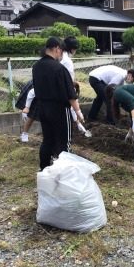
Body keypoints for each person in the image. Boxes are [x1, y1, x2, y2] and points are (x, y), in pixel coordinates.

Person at [32, 37, 84, 170]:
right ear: (56, 48)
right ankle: (64, 173)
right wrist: (78, 111)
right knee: (63, 142)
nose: (61, 55)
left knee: (48, 140)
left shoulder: (36, 67)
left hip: (42, 107)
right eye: (61, 51)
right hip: (59, 109)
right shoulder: (59, 68)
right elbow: (70, 93)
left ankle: (43, 169)